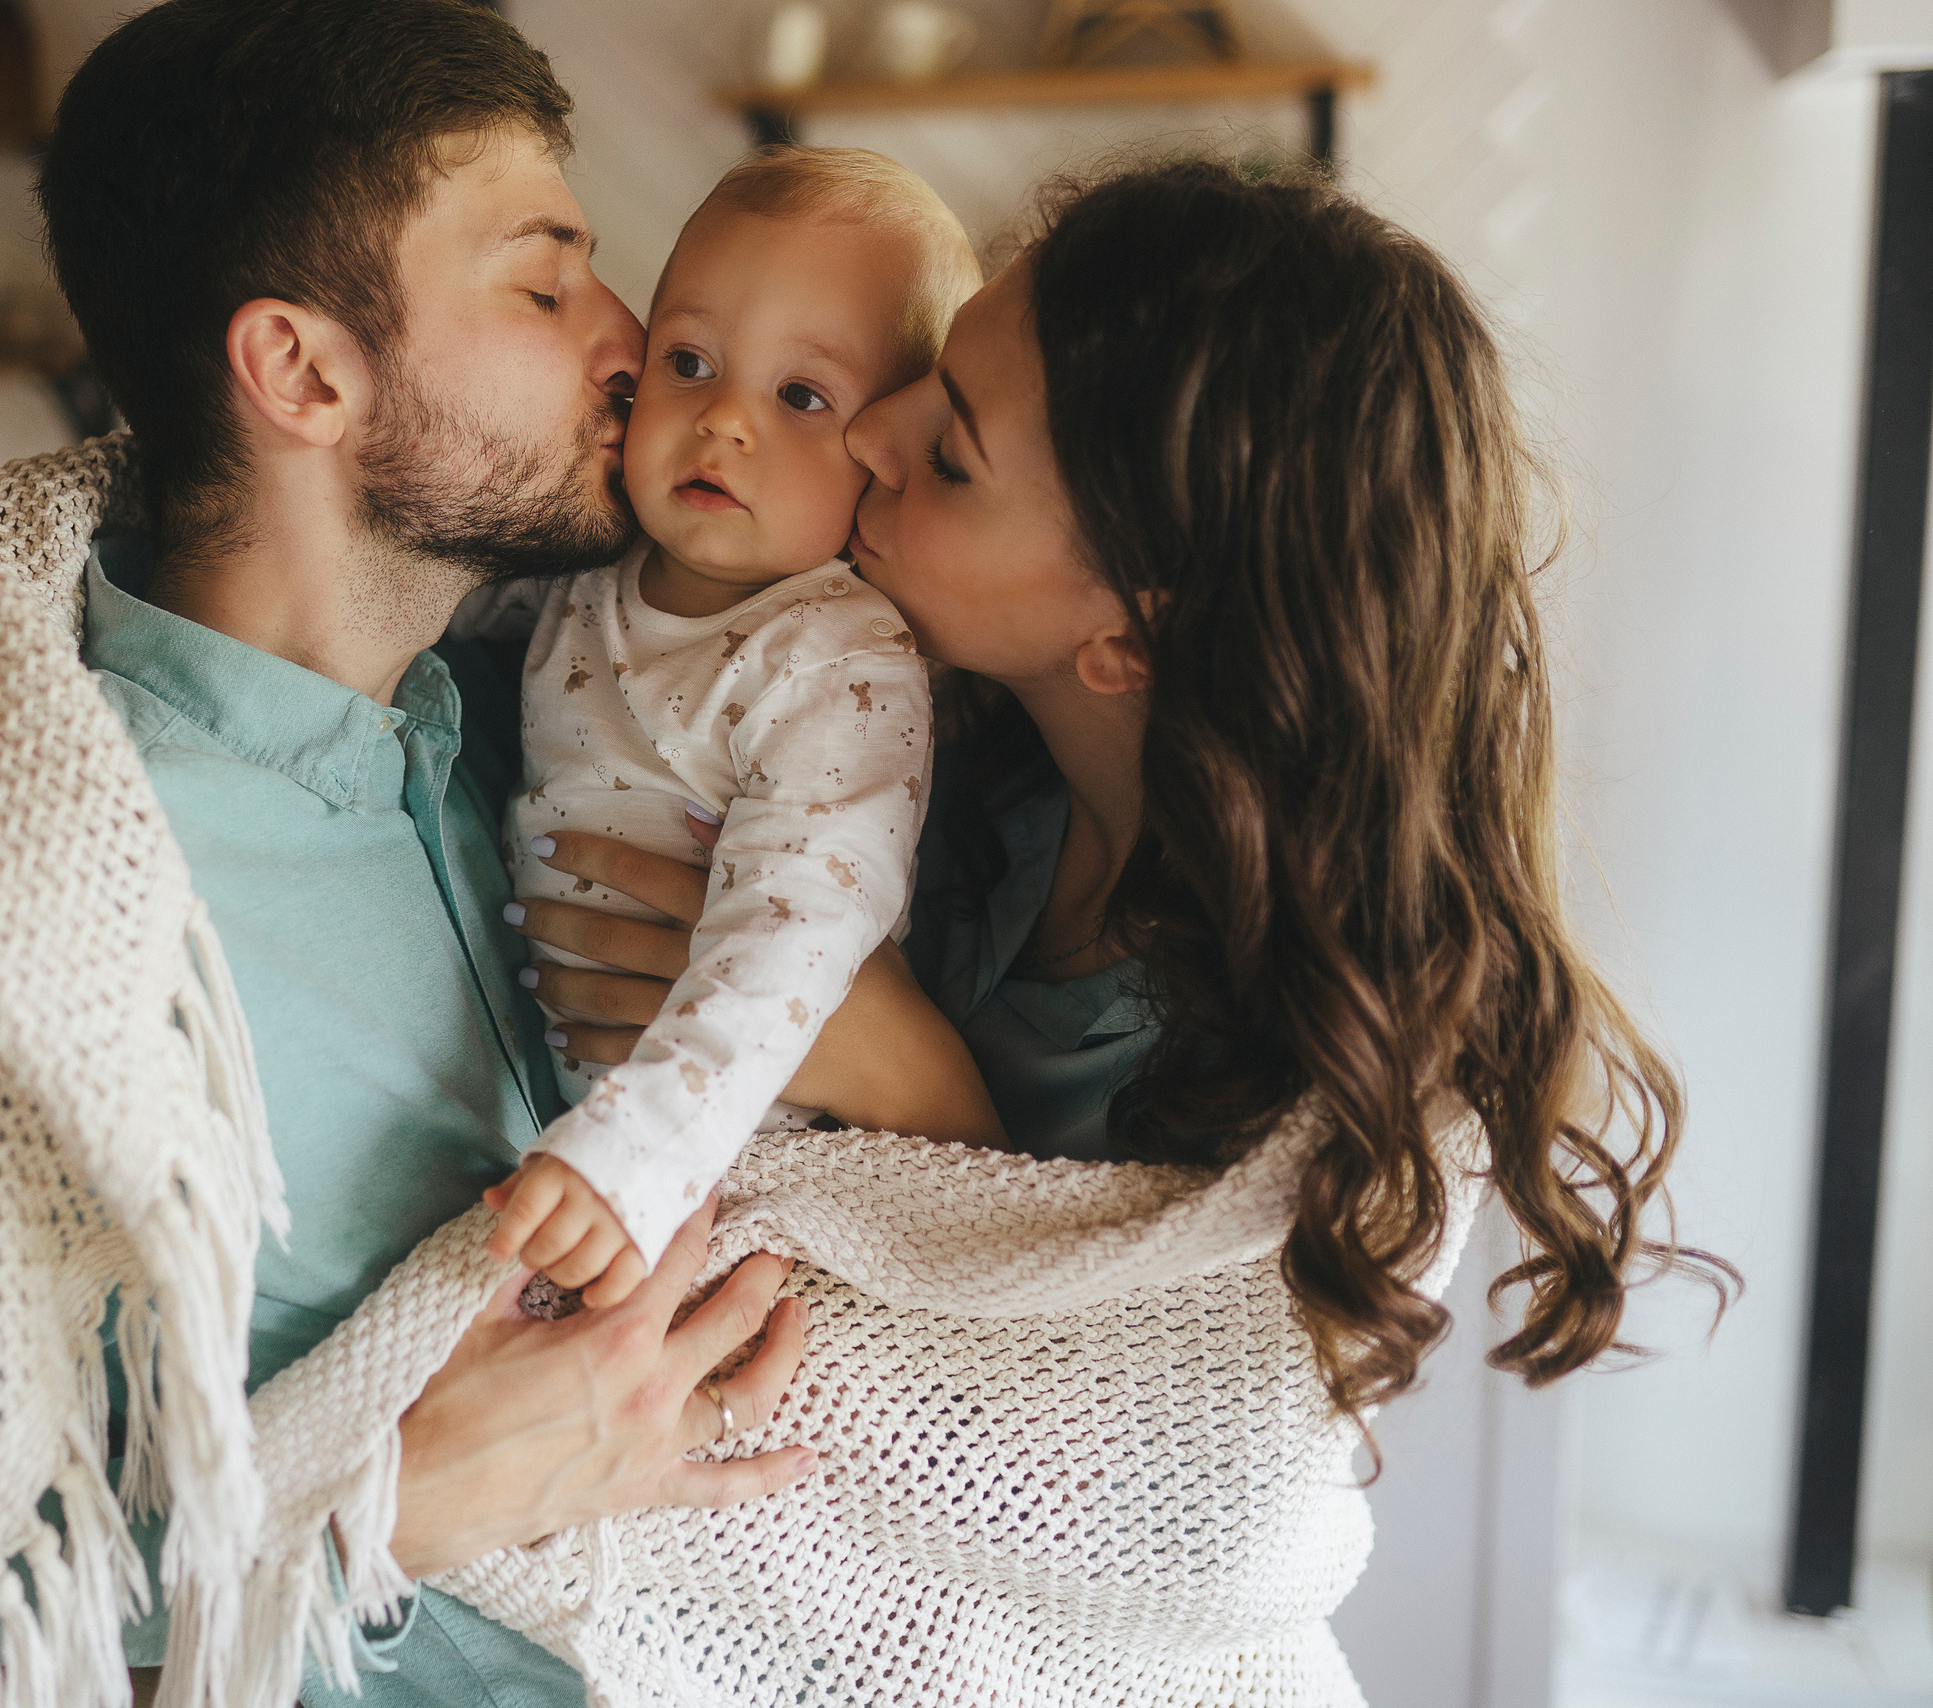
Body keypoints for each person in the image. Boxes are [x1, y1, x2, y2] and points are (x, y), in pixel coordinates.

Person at [0, 5, 821, 1707]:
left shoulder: (561, 709)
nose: (632, 341)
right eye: (547, 285)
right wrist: (406, 1501)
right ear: (303, 371)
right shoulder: (25, 903)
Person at [491, 157, 1729, 1700]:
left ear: (1127, 635)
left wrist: (911, 1083)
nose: (874, 428)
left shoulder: (1306, 1028)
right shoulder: (929, 747)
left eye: (950, 453)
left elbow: (1143, 1476)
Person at [480, 146, 989, 1310]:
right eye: (691, 361)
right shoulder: (590, 576)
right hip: (576, 1133)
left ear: (882, 451)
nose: (720, 421)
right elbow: (424, 580)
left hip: (759, 1158)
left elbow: (790, 939)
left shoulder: (839, 659)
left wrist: (635, 1155)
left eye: (799, 395)